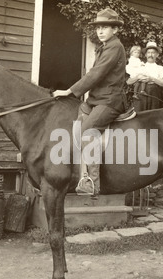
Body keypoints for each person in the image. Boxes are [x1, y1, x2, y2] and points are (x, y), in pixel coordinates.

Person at [52, 8, 127, 196]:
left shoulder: (115, 47)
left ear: (115, 30)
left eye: (105, 27)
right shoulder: (104, 47)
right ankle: (77, 174)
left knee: (87, 132)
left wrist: (70, 91)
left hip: (109, 101)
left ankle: (91, 183)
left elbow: (96, 74)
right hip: (94, 100)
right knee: (76, 124)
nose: (100, 31)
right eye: (98, 27)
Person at [126, 41, 163, 111]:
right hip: (139, 97)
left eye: (153, 52)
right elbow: (128, 82)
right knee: (139, 118)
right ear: (145, 54)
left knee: (153, 119)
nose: (150, 55)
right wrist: (137, 77)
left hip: (154, 97)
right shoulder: (139, 66)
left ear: (157, 55)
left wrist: (152, 79)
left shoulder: (160, 68)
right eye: (148, 52)